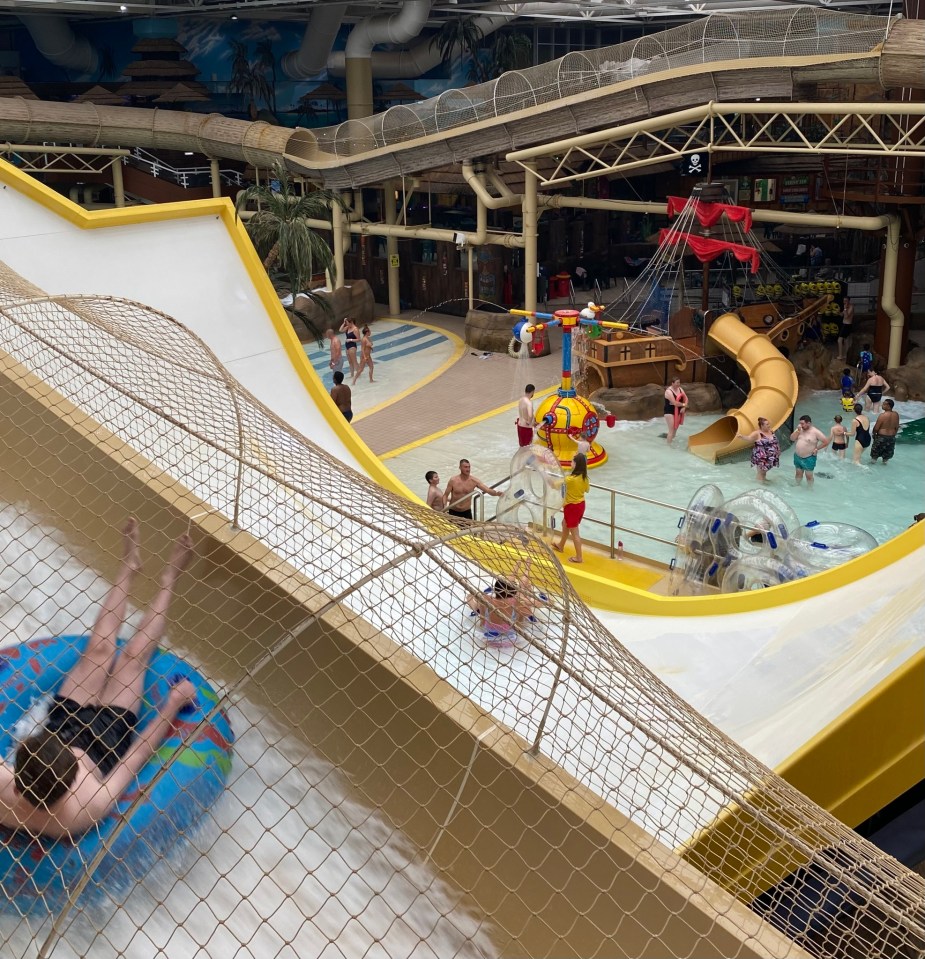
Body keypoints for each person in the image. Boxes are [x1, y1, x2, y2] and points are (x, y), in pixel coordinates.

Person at [0, 519, 196, 840]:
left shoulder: (4, 785)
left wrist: (59, 739)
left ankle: (129, 566)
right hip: (106, 740)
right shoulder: (84, 807)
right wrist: (173, 702)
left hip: (63, 721)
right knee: (133, 658)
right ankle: (170, 578)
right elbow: (137, 755)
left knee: (100, 648)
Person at [553, 452, 590, 564]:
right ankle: (561, 545)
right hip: (580, 504)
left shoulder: (570, 479)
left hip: (572, 506)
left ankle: (579, 557)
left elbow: (555, 484)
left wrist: (546, 477)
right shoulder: (584, 478)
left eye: (572, 461)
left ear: (576, 464)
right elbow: (586, 490)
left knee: (574, 532)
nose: (571, 462)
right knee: (565, 524)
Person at [736, 417, 780, 482]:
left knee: (764, 472)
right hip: (761, 457)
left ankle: (763, 480)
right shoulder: (757, 433)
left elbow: (775, 441)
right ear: (762, 425)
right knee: (761, 472)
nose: (769, 425)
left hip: (770, 457)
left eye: (769, 424)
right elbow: (749, 438)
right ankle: (759, 485)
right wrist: (741, 437)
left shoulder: (771, 431)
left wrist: (778, 449)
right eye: (767, 424)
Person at [790, 415, 829, 485]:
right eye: (800, 423)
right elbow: (792, 439)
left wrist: (817, 449)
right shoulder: (799, 430)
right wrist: (798, 431)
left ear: (808, 423)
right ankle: (797, 485)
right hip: (797, 456)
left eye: (802, 424)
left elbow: (826, 442)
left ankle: (810, 489)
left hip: (808, 457)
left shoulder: (816, 432)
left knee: (809, 476)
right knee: (798, 474)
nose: (800, 425)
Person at [870, 398, 900, 465]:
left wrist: (874, 435)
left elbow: (876, 428)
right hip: (892, 437)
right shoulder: (896, 414)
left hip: (882, 437)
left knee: (874, 455)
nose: (882, 405)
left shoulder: (882, 415)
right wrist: (894, 435)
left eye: (884, 404)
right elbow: (897, 427)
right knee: (886, 457)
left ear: (888, 406)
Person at [663, 377, 688, 445]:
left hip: (678, 412)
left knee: (675, 429)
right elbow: (675, 403)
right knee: (671, 430)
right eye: (677, 383)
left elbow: (686, 398)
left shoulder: (680, 389)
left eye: (679, 382)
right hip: (669, 412)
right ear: (672, 383)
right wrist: (683, 404)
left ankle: (669, 442)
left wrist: (684, 407)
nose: (678, 384)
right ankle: (668, 447)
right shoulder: (668, 391)